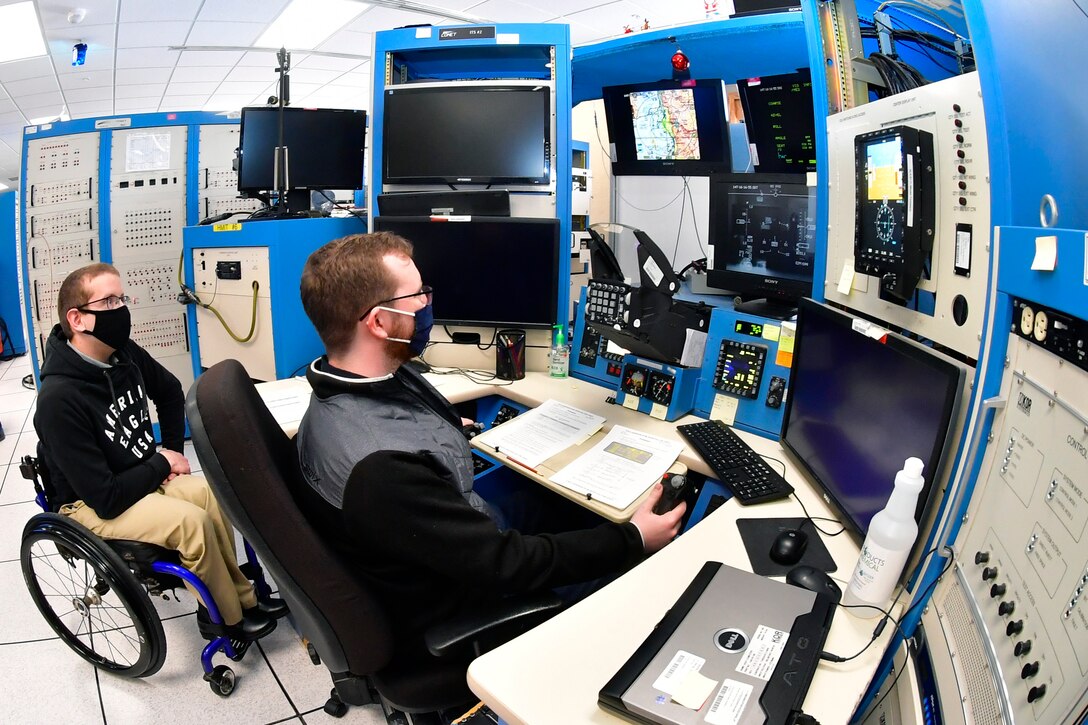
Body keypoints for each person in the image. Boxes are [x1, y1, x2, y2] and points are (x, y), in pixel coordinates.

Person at [296, 232, 685, 659]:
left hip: (447, 543)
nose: (428, 302)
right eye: (418, 296)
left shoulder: (354, 380)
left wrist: (445, 431)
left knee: (561, 506)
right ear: (379, 322)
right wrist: (634, 539)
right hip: (462, 598)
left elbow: (403, 423)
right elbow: (507, 565)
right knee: (641, 573)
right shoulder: (382, 469)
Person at [34, 263, 287, 643]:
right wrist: (160, 463)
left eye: (122, 298)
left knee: (209, 495)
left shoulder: (122, 355)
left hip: (134, 475)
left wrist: (167, 450)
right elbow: (104, 498)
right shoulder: (58, 400)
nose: (122, 309)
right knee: (191, 523)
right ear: (78, 319)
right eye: (109, 301)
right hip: (90, 503)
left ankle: (241, 600)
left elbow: (169, 390)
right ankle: (226, 619)